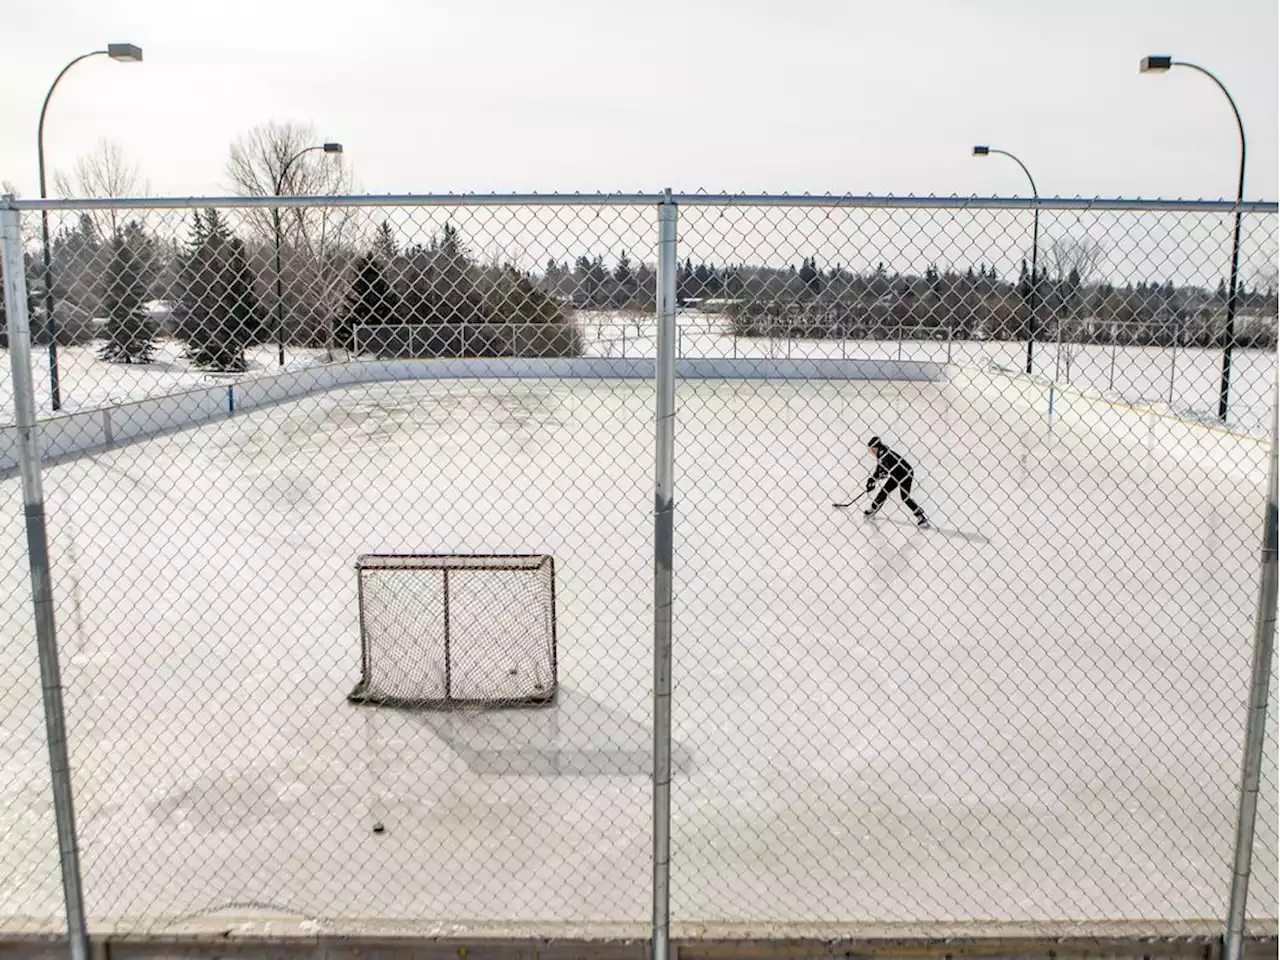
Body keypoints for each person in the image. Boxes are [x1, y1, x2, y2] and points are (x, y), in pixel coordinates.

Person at [864, 436, 929, 527]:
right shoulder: (882, 453)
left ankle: (920, 516)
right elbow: (880, 469)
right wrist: (873, 479)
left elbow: (883, 470)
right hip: (898, 474)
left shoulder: (884, 454)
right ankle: (873, 508)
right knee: (886, 492)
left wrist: (876, 478)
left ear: (876, 448)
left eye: (872, 449)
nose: (871, 452)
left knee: (903, 496)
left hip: (905, 474)